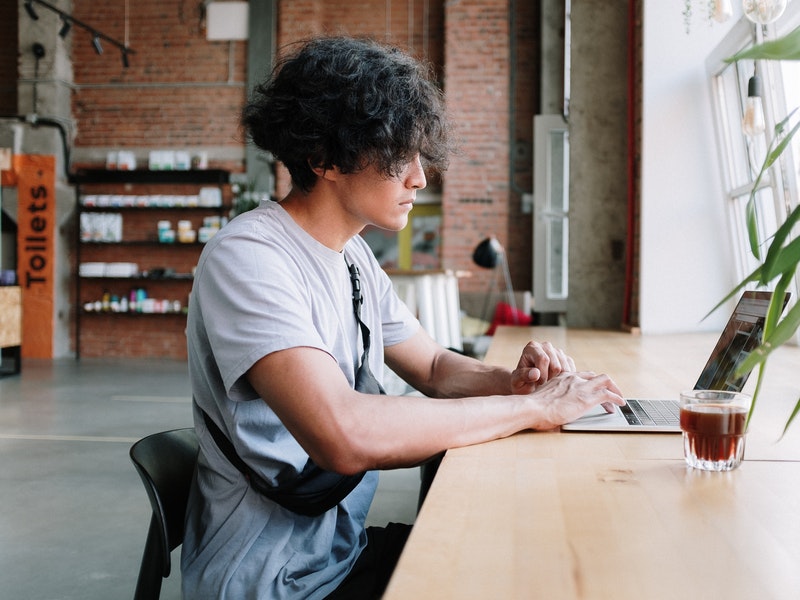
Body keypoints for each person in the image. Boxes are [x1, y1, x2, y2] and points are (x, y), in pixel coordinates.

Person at [180, 35, 624, 600]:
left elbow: (435, 367)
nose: (419, 176)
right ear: (324, 157)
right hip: (273, 581)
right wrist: (530, 408)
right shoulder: (249, 258)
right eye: (396, 156)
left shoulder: (354, 256)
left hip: (338, 555)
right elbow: (342, 433)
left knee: (526, 559)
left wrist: (517, 382)